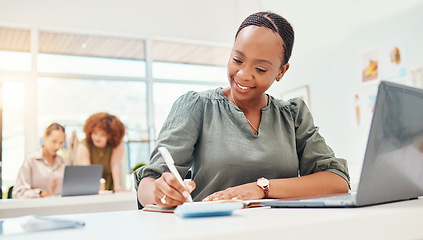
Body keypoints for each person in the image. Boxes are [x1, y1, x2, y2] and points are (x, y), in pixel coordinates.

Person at [135, 11, 350, 208]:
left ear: (281, 71)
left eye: (260, 68)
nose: (243, 75)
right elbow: (150, 181)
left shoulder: (293, 115)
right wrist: (160, 193)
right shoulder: (197, 106)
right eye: (237, 59)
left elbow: (336, 180)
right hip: (212, 230)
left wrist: (261, 189)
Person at [13, 123, 67, 198]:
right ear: (45, 137)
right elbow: (18, 193)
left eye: (61, 142)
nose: (57, 146)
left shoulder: (64, 162)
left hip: (60, 207)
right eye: (54, 141)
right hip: (37, 208)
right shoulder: (31, 160)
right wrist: (41, 194)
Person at [76, 112, 125, 191]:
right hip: (90, 188)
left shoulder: (117, 145)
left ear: (111, 136)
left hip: (110, 189)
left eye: (102, 135)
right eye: (95, 133)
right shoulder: (84, 145)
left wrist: (118, 187)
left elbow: (115, 165)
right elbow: (87, 171)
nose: (97, 138)